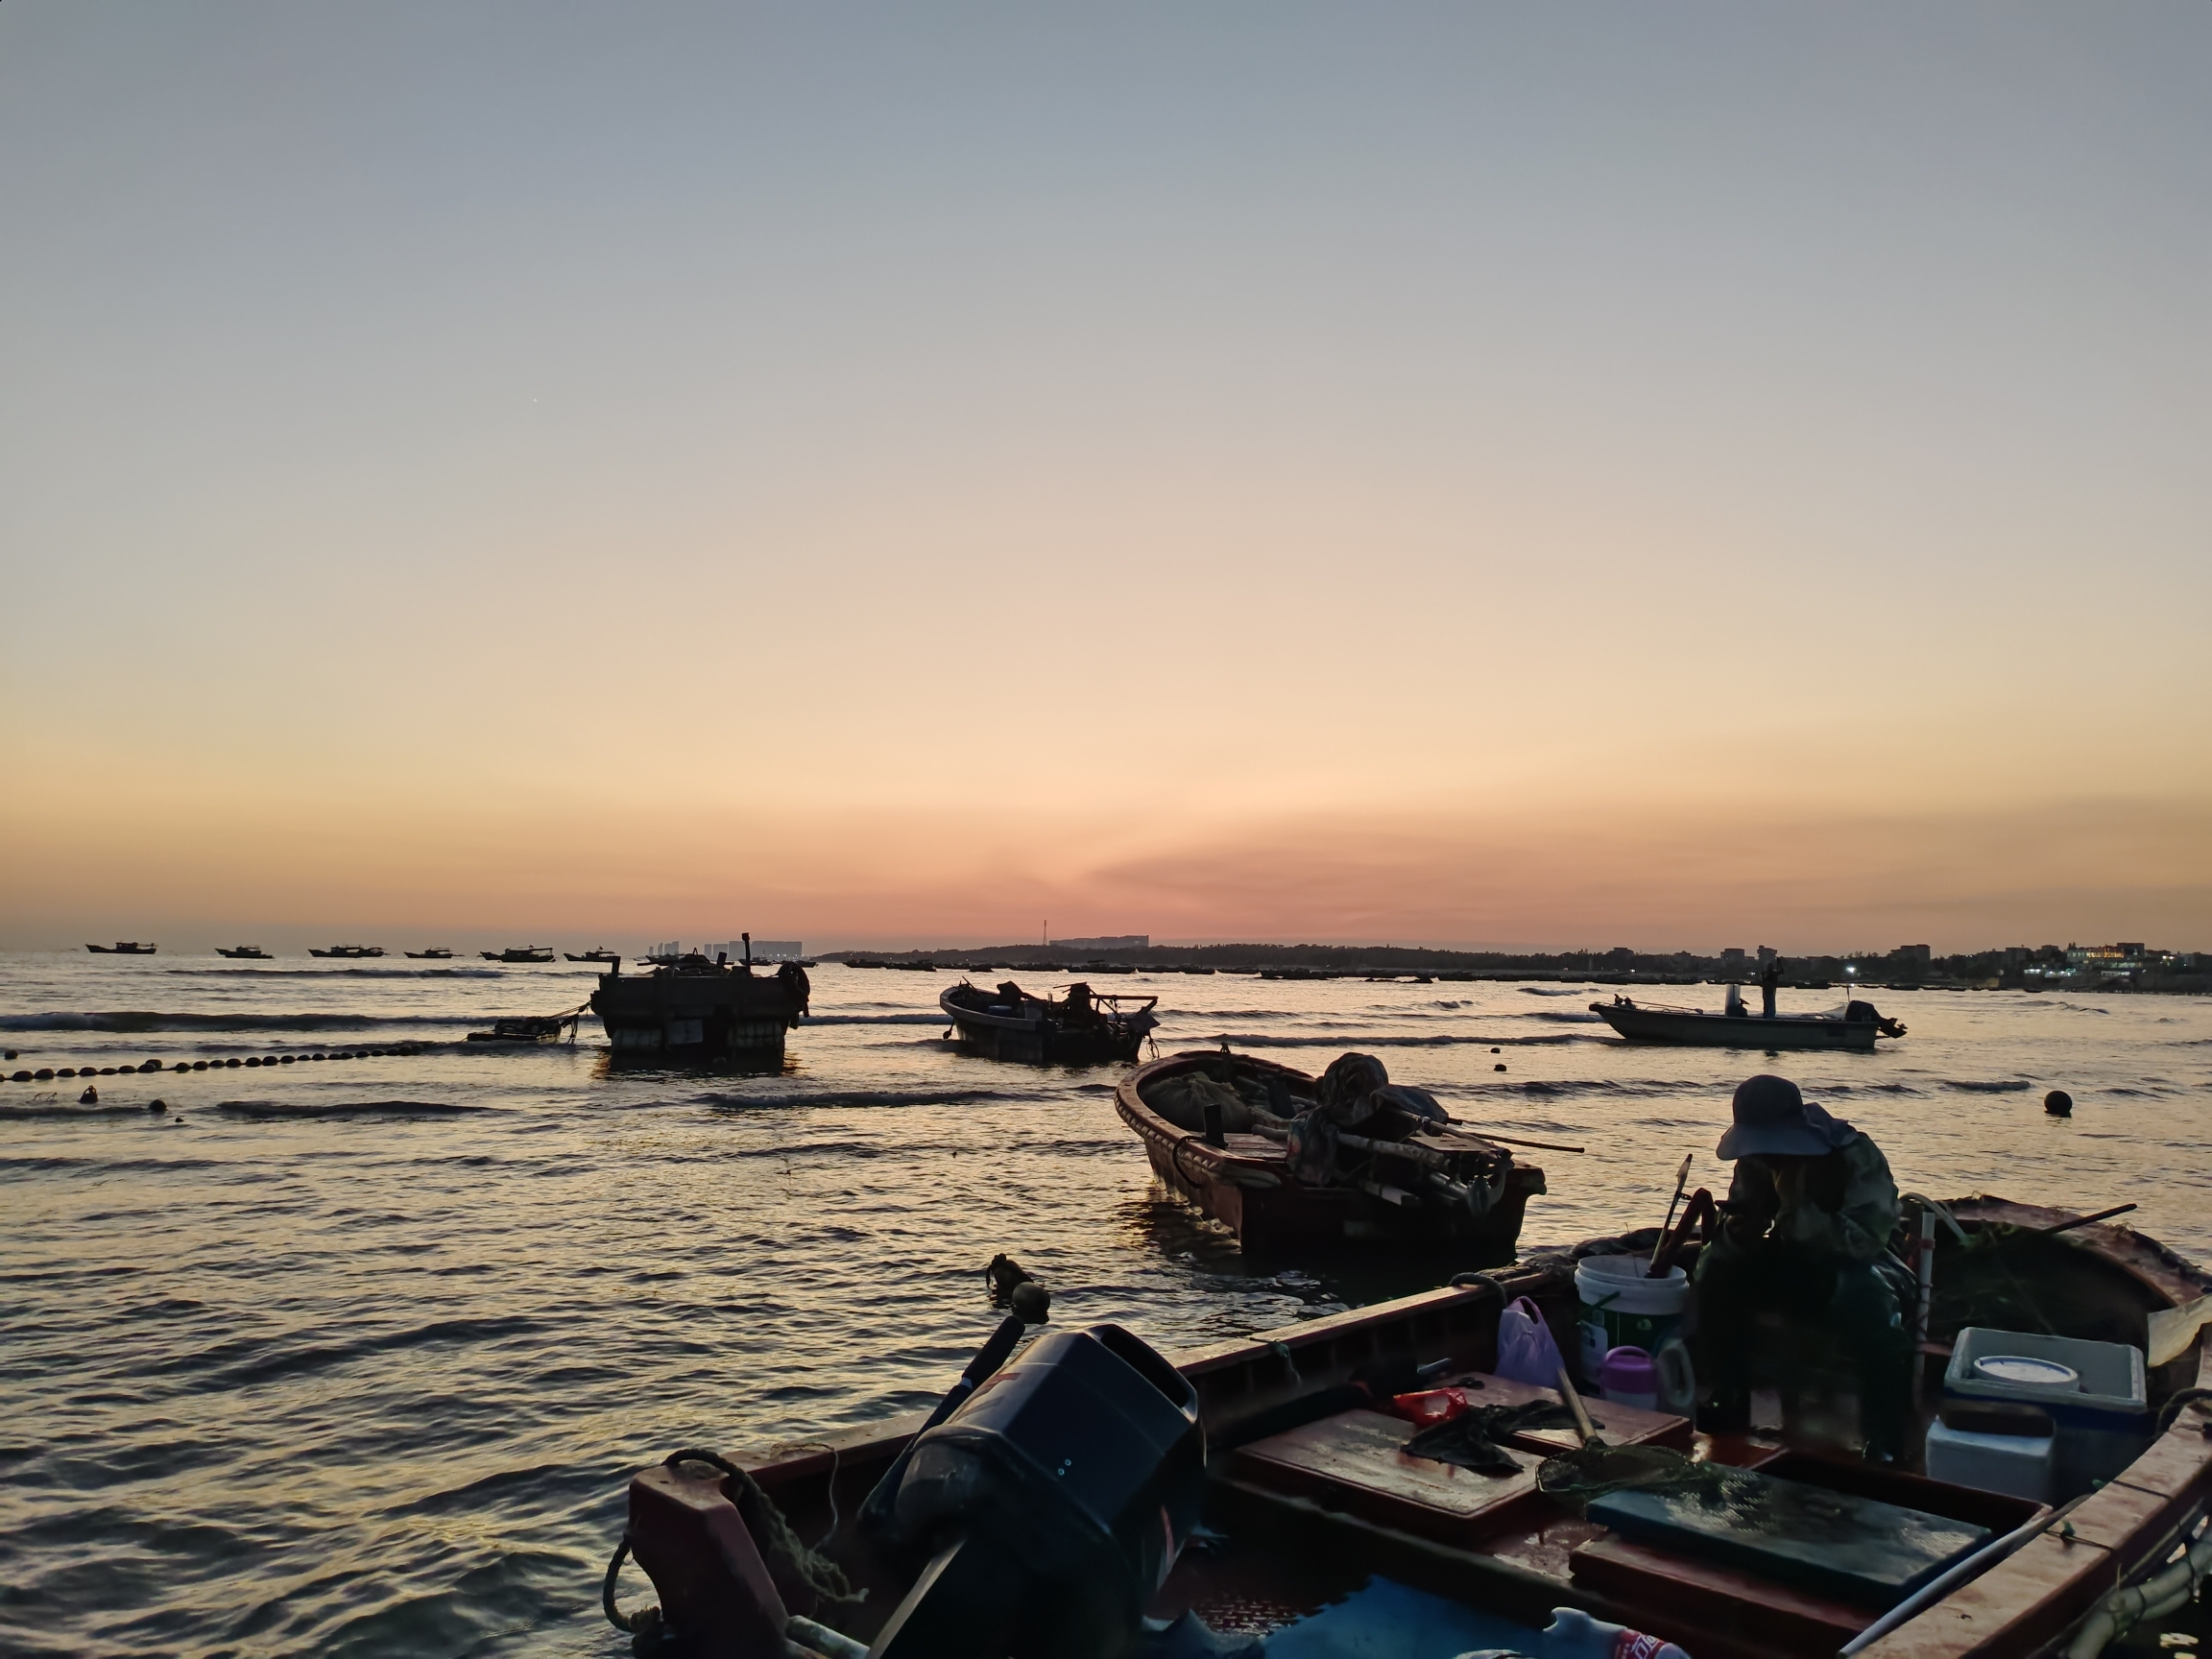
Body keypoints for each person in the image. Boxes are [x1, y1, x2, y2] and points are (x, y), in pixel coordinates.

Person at [1693, 1073, 1911, 1458]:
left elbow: (1864, 1242)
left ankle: (1885, 1436)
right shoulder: (1756, 1157)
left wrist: (1796, 1200)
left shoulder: (1855, 1155)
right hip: (1794, 1259)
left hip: (1865, 1265)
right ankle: (1729, 1396)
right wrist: (1739, 1232)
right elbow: (1742, 1214)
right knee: (1716, 1270)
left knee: (1869, 1302)